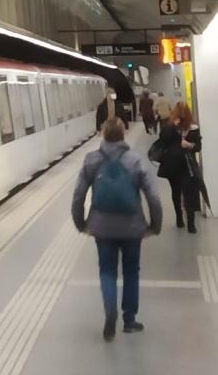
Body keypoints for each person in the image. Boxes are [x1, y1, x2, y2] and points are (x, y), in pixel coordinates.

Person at [71, 117, 162, 341]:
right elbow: (153, 196)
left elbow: (78, 195)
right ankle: (129, 320)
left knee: (107, 270)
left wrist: (81, 224)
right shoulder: (134, 160)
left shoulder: (91, 160)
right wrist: (154, 225)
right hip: (132, 227)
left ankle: (110, 312)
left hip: (102, 228)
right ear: (123, 134)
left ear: (103, 134)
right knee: (131, 271)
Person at [153, 102, 203, 232]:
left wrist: (187, 144)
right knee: (185, 192)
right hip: (180, 164)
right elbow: (197, 147)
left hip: (179, 165)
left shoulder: (190, 128)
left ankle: (182, 219)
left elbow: (197, 146)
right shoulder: (174, 127)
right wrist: (174, 128)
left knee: (178, 191)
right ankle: (189, 223)